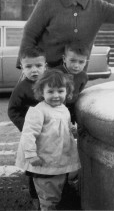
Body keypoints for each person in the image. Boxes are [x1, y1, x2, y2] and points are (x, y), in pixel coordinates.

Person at [15, 69, 80, 211]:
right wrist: (31, 154)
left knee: (56, 189)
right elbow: (28, 134)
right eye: (50, 92)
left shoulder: (63, 109)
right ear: (41, 92)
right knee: (47, 194)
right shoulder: (39, 111)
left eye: (60, 91)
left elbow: (62, 127)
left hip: (58, 158)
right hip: (43, 160)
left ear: (67, 91)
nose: (56, 95)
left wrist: (71, 130)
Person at [8, 47, 47, 208]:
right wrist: (27, 128)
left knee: (51, 162)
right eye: (29, 67)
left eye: (38, 65)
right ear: (22, 68)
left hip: (50, 134)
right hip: (32, 136)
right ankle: (35, 197)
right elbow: (12, 110)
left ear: (45, 66)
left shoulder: (50, 82)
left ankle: (53, 192)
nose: (34, 70)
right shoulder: (22, 88)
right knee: (33, 168)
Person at [55, 42, 89, 123]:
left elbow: (79, 90)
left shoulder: (83, 76)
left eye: (81, 62)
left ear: (86, 62)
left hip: (72, 107)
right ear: (64, 59)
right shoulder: (55, 73)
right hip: (55, 107)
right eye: (72, 61)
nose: (76, 66)